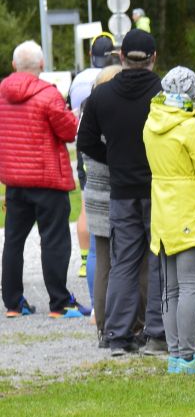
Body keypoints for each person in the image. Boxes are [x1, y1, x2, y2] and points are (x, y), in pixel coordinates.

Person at [75, 28, 167, 356]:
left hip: (121, 190)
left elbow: (85, 142)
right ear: (153, 58)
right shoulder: (163, 93)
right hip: (158, 187)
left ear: (122, 57)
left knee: (123, 261)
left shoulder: (101, 96)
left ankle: (116, 334)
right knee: (157, 260)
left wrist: (113, 159)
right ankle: (156, 332)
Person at [143, 66, 195, 373]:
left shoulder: (151, 122)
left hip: (162, 210)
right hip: (187, 208)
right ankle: (187, 356)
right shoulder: (190, 126)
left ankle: (176, 354)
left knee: (169, 289)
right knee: (189, 286)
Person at [0, 41, 82, 318]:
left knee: (13, 241)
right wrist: (73, 116)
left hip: (15, 181)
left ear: (14, 65)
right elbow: (68, 132)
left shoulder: (2, 93)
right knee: (54, 240)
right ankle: (59, 302)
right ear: (42, 65)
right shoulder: (49, 95)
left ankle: (13, 303)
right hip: (47, 180)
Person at [69, 33, 119, 312]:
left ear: (91, 54)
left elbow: (72, 112)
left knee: (88, 211)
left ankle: (84, 257)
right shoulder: (115, 81)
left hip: (86, 153)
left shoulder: (79, 80)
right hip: (113, 162)